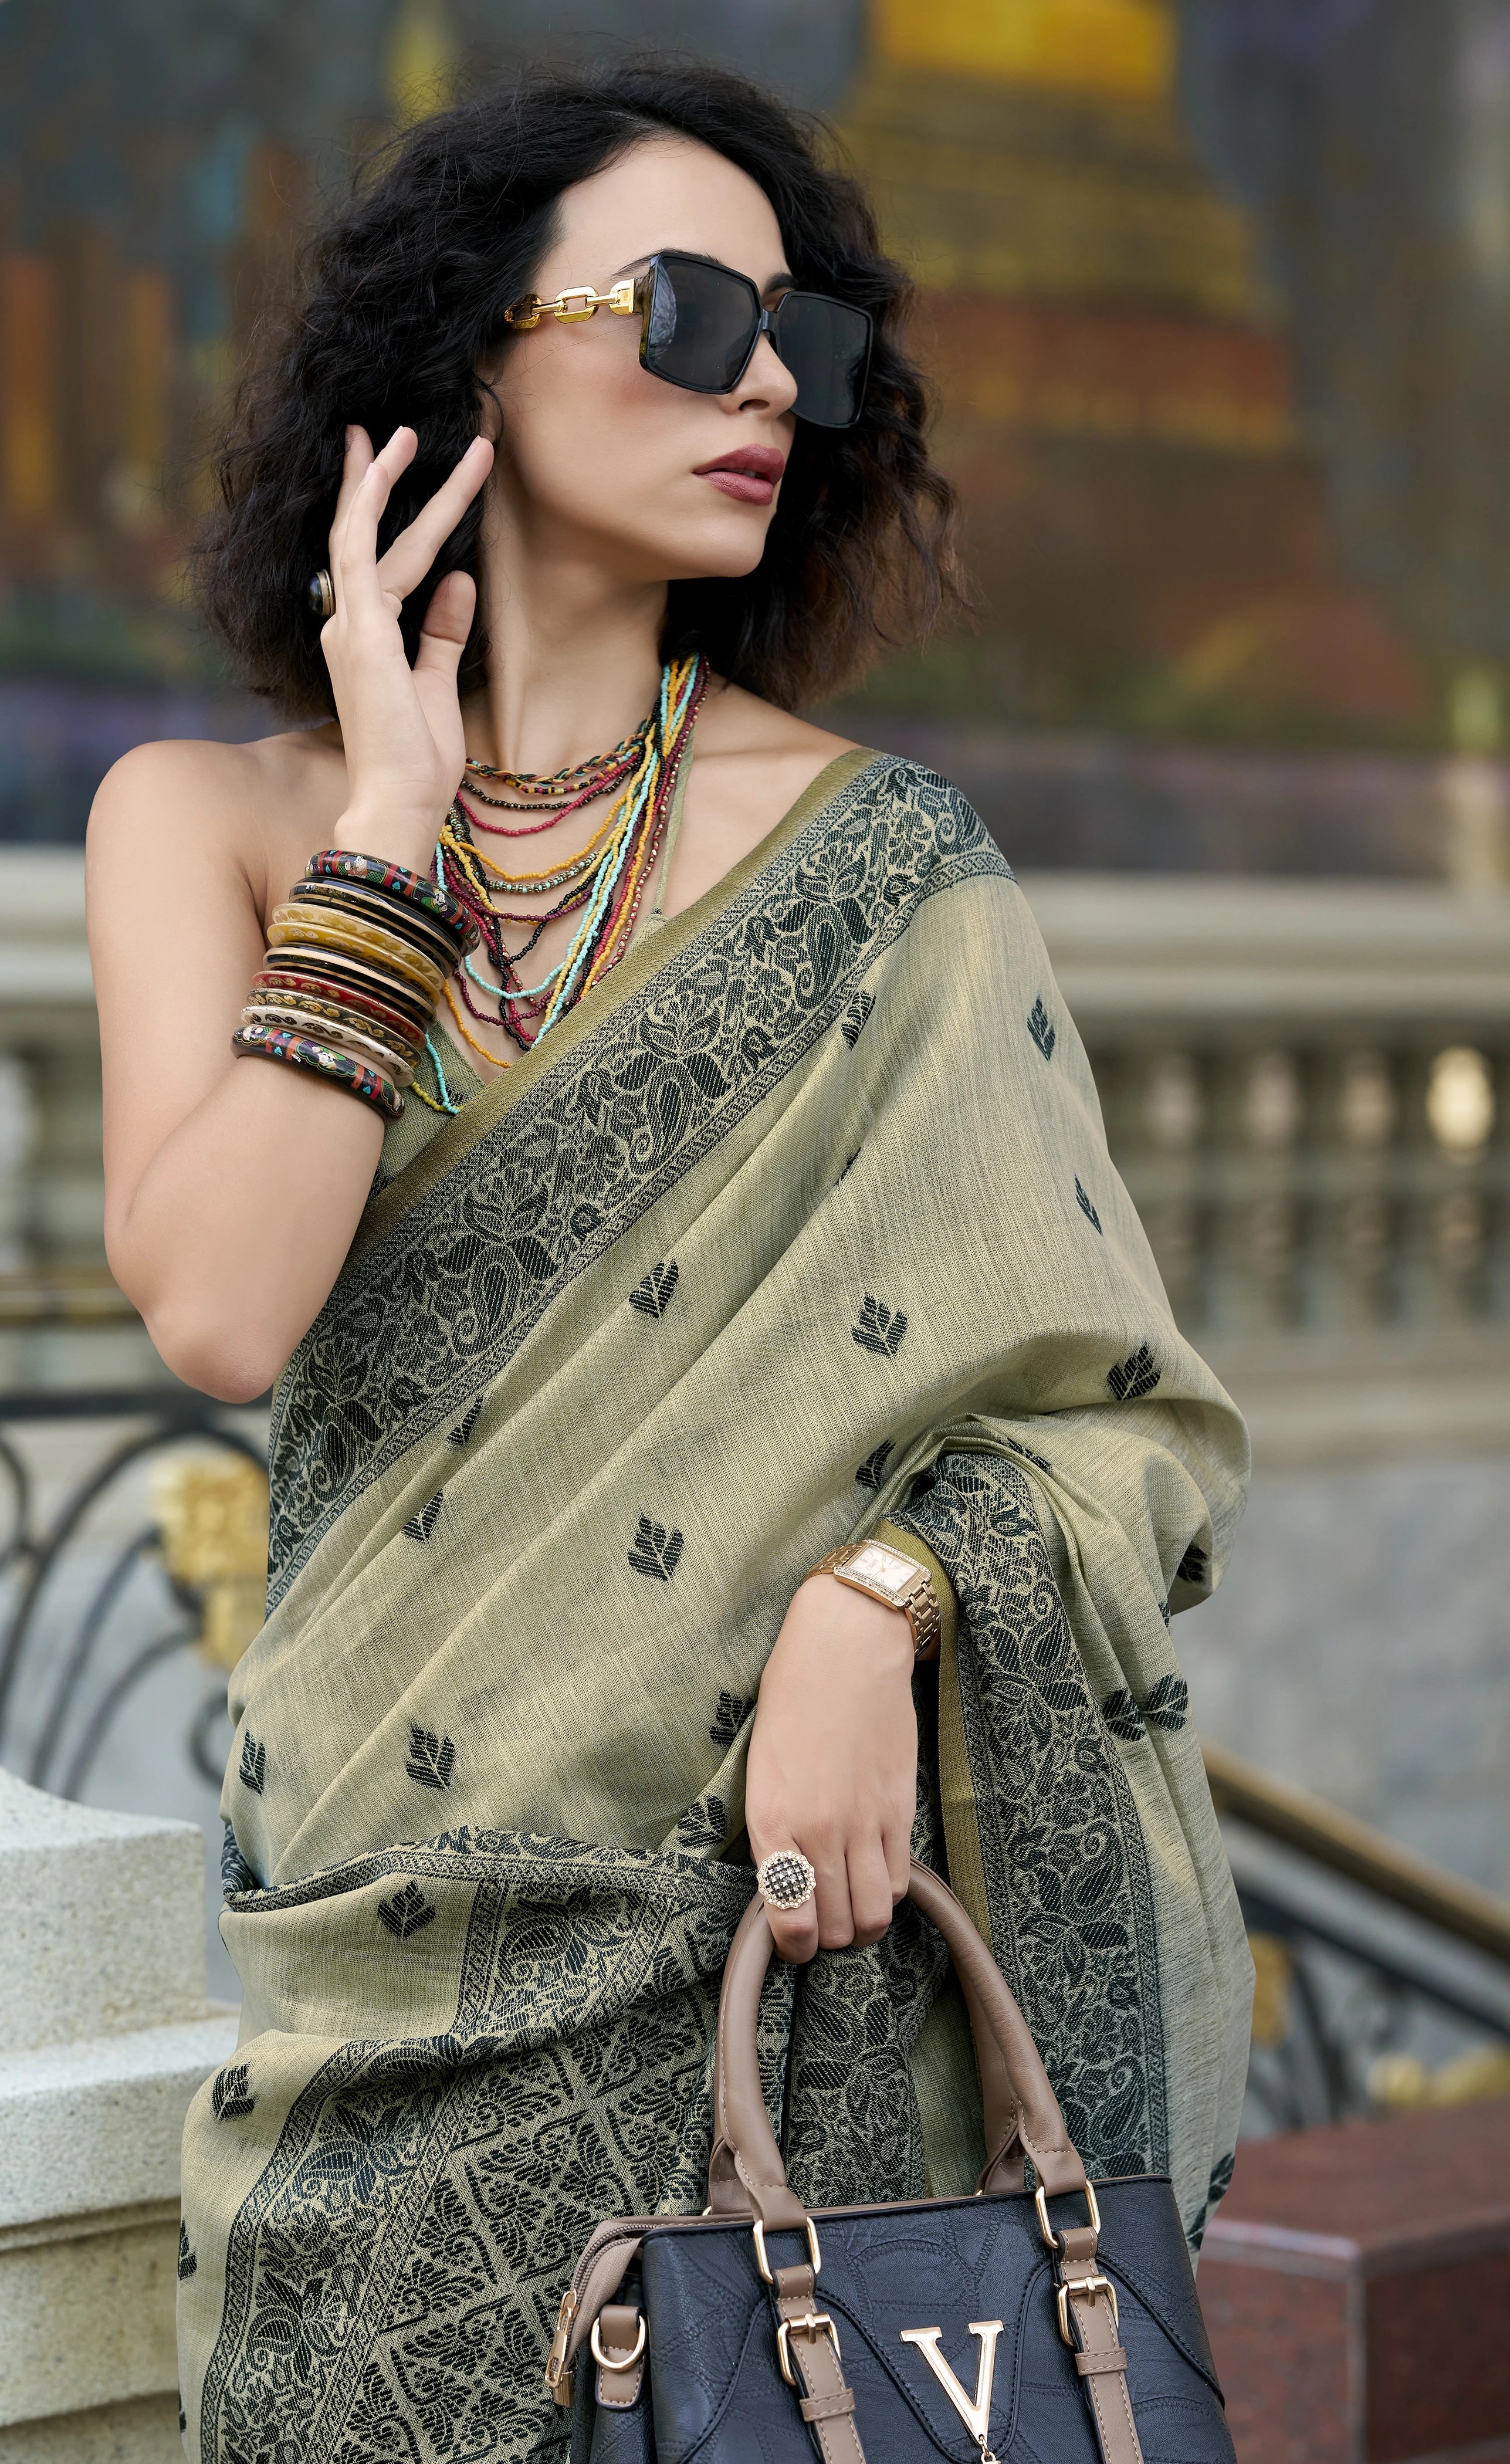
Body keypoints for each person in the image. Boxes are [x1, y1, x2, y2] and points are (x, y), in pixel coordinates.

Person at [86, 57, 1252, 2464]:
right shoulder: (208, 822)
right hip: (384, 1949)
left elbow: (1118, 1416)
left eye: (802, 346)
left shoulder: (890, 871)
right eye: (689, 313)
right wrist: (399, 826)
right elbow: (219, 1306)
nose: (761, 390)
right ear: (464, 355)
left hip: (775, 1947)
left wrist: (891, 1596)